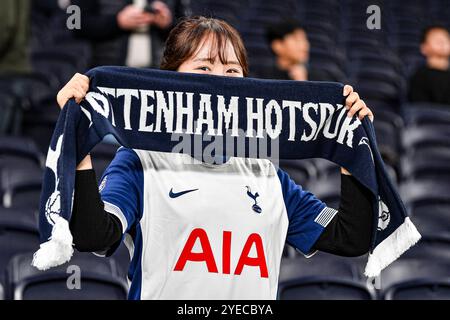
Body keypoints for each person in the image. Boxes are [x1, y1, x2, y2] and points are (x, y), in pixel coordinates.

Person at [56, 16, 374, 300]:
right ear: (169, 80)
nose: (219, 82)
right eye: (204, 68)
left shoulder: (267, 174)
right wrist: (79, 143)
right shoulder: (140, 161)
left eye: (231, 71)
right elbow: (92, 235)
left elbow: (351, 237)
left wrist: (351, 151)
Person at [72, 0, 183, 68]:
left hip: (157, 72)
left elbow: (188, 26)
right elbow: (74, 24)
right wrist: (117, 22)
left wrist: (167, 23)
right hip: (108, 72)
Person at [408, 25, 450, 105]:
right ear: (424, 48)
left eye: (446, 39)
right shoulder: (419, 76)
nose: (442, 42)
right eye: (436, 39)